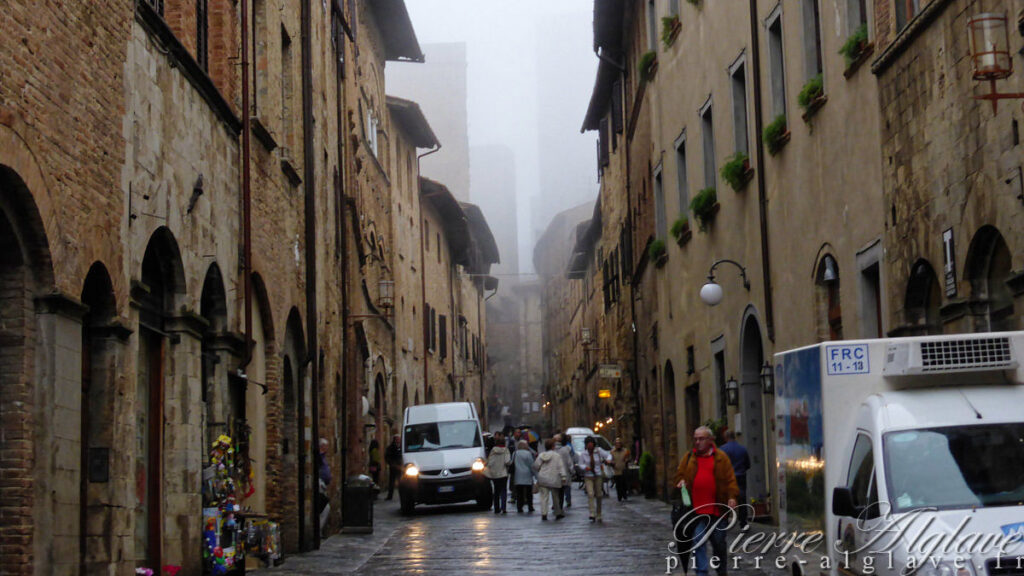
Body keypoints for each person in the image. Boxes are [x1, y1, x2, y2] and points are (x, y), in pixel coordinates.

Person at [673, 426, 739, 576]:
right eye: (695, 439)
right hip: (696, 512)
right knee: (698, 543)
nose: (697, 442)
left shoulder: (721, 458)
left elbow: (731, 480)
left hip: (717, 512)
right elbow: (678, 475)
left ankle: (721, 571)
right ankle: (702, 573)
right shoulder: (689, 457)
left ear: (710, 440)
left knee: (719, 545)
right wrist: (681, 481)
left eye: (701, 439)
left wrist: (732, 497)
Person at [718, 429, 750, 528]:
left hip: (727, 478)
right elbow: (748, 464)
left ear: (725, 438)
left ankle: (725, 520)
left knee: (726, 498)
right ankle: (743, 522)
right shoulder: (742, 449)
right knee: (742, 499)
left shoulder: (722, 450)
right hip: (740, 476)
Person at [578, 436, 613, 522]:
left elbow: (608, 455)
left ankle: (599, 513)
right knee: (590, 494)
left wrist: (608, 460)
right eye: (588, 444)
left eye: (591, 444)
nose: (589, 446)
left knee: (599, 495)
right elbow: (580, 464)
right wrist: (585, 467)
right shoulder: (583, 454)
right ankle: (592, 513)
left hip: (597, 475)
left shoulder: (598, 451)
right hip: (588, 476)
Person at [532, 438, 568, 521]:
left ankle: (544, 514)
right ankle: (557, 512)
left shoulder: (541, 455)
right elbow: (560, 467)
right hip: (554, 478)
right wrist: (563, 477)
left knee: (544, 497)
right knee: (555, 497)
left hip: (543, 478)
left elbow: (536, 466)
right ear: (553, 446)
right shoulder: (557, 456)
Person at [484, 431, 511, 514]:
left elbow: (490, 462)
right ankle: (503, 508)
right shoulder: (506, 450)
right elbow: (507, 461)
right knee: (503, 491)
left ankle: (496, 508)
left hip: (495, 474)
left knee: (496, 492)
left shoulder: (493, 450)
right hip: (503, 474)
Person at [512, 439, 536, 513]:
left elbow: (512, 462)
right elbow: (531, 465)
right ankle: (530, 506)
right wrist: (535, 474)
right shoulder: (528, 453)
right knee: (529, 492)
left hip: (518, 474)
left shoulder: (515, 453)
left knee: (519, 493)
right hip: (527, 474)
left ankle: (519, 507)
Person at [554, 434, 575, 509]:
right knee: (564, 489)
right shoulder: (565, 450)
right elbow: (569, 462)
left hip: (554, 474)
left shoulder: (551, 450)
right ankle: (561, 505)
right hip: (564, 473)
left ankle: (556, 504)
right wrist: (572, 471)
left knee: (555, 491)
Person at [610, 437, 632, 502]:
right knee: (618, 484)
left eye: (619, 443)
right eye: (617, 443)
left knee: (624, 483)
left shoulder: (625, 451)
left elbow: (629, 458)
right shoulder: (612, 452)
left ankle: (624, 494)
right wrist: (612, 463)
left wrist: (627, 460)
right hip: (616, 470)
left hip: (623, 469)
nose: (618, 445)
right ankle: (619, 496)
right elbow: (610, 460)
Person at [317, 438, 331, 534]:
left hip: (323, 485)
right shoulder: (318, 457)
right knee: (324, 507)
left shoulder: (322, 457)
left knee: (325, 507)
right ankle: (318, 531)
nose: (327, 448)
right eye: (326, 446)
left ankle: (319, 530)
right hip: (319, 484)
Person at [384, 434, 403, 501]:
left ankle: (402, 495)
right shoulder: (391, 447)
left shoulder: (401, 447)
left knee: (400, 482)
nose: (398, 440)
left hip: (400, 467)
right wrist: (391, 464)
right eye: (397, 439)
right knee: (392, 481)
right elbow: (387, 456)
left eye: (399, 439)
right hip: (393, 467)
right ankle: (390, 496)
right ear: (395, 440)